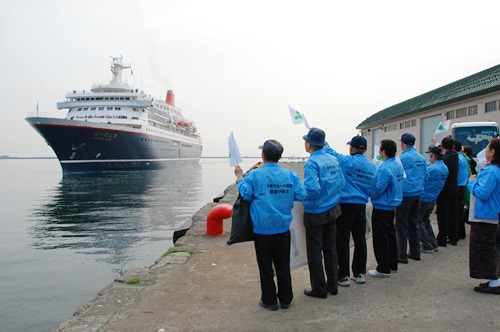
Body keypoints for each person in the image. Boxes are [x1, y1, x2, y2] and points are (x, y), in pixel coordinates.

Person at [234, 139, 306, 310]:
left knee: (266, 267)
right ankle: (286, 299)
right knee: (283, 265)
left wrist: (239, 177)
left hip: (262, 229)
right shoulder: (291, 175)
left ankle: (269, 301)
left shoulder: (255, 175)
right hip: (283, 228)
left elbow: (245, 194)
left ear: (263, 155)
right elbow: (301, 195)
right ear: (279, 156)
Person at [324, 136, 376, 286]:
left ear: (351, 148)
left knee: (343, 240)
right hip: (361, 206)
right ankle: (360, 273)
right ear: (365, 149)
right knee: (360, 239)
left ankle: (343, 276)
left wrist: (325, 143)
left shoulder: (347, 162)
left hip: (345, 205)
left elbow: (331, 152)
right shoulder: (372, 166)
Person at [302, 128, 345, 298]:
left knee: (314, 252)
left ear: (309, 144)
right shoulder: (333, 159)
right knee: (330, 249)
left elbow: (312, 189)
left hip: (316, 211)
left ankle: (319, 288)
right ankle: (333, 285)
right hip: (333, 209)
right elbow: (342, 182)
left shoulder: (312, 163)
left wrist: (302, 197)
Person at [467, 138, 500, 295]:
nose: (485, 152)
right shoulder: (493, 169)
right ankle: (494, 280)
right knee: (490, 250)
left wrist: (471, 182)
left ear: (493, 152)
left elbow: (482, 193)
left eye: (487, 148)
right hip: (491, 215)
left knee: (487, 251)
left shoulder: (492, 171)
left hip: (487, 216)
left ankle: (495, 282)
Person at [369, 139, 404, 278]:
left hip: (382, 205)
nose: (379, 152)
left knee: (380, 238)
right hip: (392, 204)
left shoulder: (385, 168)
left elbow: (378, 188)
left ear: (383, 151)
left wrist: (370, 193)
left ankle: (383, 268)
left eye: (380, 149)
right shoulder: (397, 165)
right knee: (390, 235)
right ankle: (392, 264)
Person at [396, 133, 427, 263]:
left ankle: (401, 254)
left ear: (402, 144)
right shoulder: (422, 158)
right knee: (414, 223)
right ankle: (415, 252)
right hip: (418, 193)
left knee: (402, 224)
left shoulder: (402, 158)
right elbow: (427, 174)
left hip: (405, 194)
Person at [419, 147, 449, 253]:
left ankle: (427, 245)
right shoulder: (444, 168)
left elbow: (422, 175)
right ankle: (433, 243)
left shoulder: (432, 169)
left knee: (419, 221)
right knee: (426, 221)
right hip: (433, 197)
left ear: (433, 156)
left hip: (424, 197)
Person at [436, 136, 459, 247]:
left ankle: (442, 239)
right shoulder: (455, 156)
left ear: (442, 146)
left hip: (445, 189)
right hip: (455, 187)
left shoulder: (445, 159)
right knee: (453, 214)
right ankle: (453, 238)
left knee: (443, 215)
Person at [455, 140, 470, 240]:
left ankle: (458, 233)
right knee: (460, 210)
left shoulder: (458, 158)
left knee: (457, 211)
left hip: (458, 186)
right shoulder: (464, 158)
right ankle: (461, 233)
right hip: (463, 186)